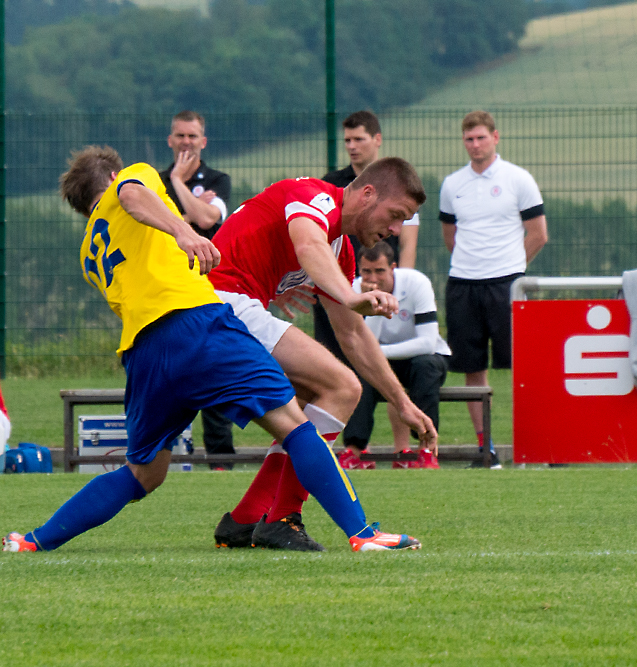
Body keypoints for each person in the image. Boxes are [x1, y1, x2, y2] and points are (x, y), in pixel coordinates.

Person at [2, 145, 420, 554]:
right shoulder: (134, 179)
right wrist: (186, 232)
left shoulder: (89, 251)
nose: (396, 227)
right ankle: (354, 532)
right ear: (113, 176)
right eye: (397, 215)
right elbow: (131, 194)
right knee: (299, 419)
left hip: (144, 352)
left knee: (144, 472)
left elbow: (345, 322)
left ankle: (35, 541)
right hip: (198, 323)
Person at [206, 157, 438, 551]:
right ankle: (282, 518)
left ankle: (246, 519)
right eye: (396, 215)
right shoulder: (315, 198)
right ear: (366, 194)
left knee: (316, 401)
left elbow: (352, 334)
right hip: (217, 308)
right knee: (342, 387)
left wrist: (402, 402)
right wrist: (352, 296)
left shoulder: (340, 249)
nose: (396, 230)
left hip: (219, 314)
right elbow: (307, 241)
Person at [439, 110, 548, 468]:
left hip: (507, 286)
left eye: (481, 137)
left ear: (495, 137)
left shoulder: (518, 179)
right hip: (463, 285)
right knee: (473, 368)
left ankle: (537, 446)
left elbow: (538, 234)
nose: (475, 145)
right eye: (469, 139)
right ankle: (485, 448)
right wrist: (475, 265)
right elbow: (450, 237)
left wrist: (512, 270)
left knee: (523, 364)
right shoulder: (453, 185)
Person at [160, 110, 236, 469]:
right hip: (164, 288)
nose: (186, 143)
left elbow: (207, 220)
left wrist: (177, 184)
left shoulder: (218, 180)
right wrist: (186, 211)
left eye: (192, 136)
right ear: (170, 140)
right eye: (180, 136)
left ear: (203, 141)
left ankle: (221, 459)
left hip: (208, 288)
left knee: (214, 365)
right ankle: (157, 455)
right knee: (166, 370)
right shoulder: (151, 182)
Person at [316, 111, 420, 370]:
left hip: (382, 283)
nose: (352, 147)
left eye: (359, 139)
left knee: (376, 362)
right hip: (338, 285)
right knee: (333, 362)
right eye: (347, 140)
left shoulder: (398, 185)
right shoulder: (331, 184)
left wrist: (400, 287)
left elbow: (408, 242)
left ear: (377, 139)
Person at [340, 241, 450, 470]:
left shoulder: (417, 283)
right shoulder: (353, 289)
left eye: (380, 270)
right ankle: (355, 450)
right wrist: (376, 304)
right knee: (360, 371)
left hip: (422, 360)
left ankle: (426, 451)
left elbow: (428, 343)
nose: (373, 278)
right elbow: (364, 343)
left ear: (393, 267)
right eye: (366, 271)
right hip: (381, 361)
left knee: (426, 365)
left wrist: (378, 353)